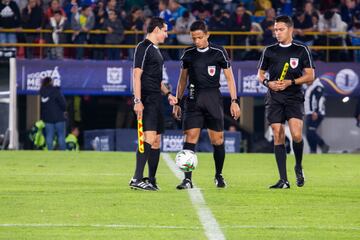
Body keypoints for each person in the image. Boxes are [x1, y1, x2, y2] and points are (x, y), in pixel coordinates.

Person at [173, 20, 241, 189]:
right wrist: (178, 101)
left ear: (207, 35)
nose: (196, 41)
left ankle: (218, 175)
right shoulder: (188, 53)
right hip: (194, 99)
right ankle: (187, 179)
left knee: (217, 140)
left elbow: (230, 78)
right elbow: (182, 80)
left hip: (213, 99)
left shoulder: (219, 52)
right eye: (193, 38)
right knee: (190, 138)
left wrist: (234, 101)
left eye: (199, 37)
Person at [257, 15, 315, 189]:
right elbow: (260, 74)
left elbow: (311, 76)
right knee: (277, 134)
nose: (277, 33)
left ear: (290, 30)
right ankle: (283, 180)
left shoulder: (301, 49)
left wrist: (292, 82)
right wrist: (269, 83)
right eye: (275, 30)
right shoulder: (269, 50)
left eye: (280, 29)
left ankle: (298, 165)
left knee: (296, 135)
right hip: (274, 97)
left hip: (294, 96)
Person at [129, 17, 178, 191]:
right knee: (148, 138)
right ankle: (136, 178)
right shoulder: (143, 47)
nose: (167, 34)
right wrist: (137, 100)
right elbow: (136, 75)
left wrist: (169, 94)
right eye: (165, 30)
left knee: (156, 141)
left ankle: (151, 179)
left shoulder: (156, 50)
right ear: (156, 29)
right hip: (147, 99)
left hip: (157, 98)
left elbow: (156, 79)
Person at [40, 77, 67, 150]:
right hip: (59, 117)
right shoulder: (56, 90)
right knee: (61, 135)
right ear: (50, 82)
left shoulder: (42, 92)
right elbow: (63, 103)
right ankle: (63, 153)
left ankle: (50, 152)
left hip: (48, 118)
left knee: (49, 135)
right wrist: (64, 109)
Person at [304, 78, 329, 153]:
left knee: (311, 132)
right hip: (310, 113)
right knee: (309, 134)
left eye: (307, 80)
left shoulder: (318, 87)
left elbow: (320, 100)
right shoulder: (310, 87)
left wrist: (316, 112)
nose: (305, 83)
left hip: (315, 113)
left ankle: (323, 145)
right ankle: (313, 150)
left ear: (312, 79)